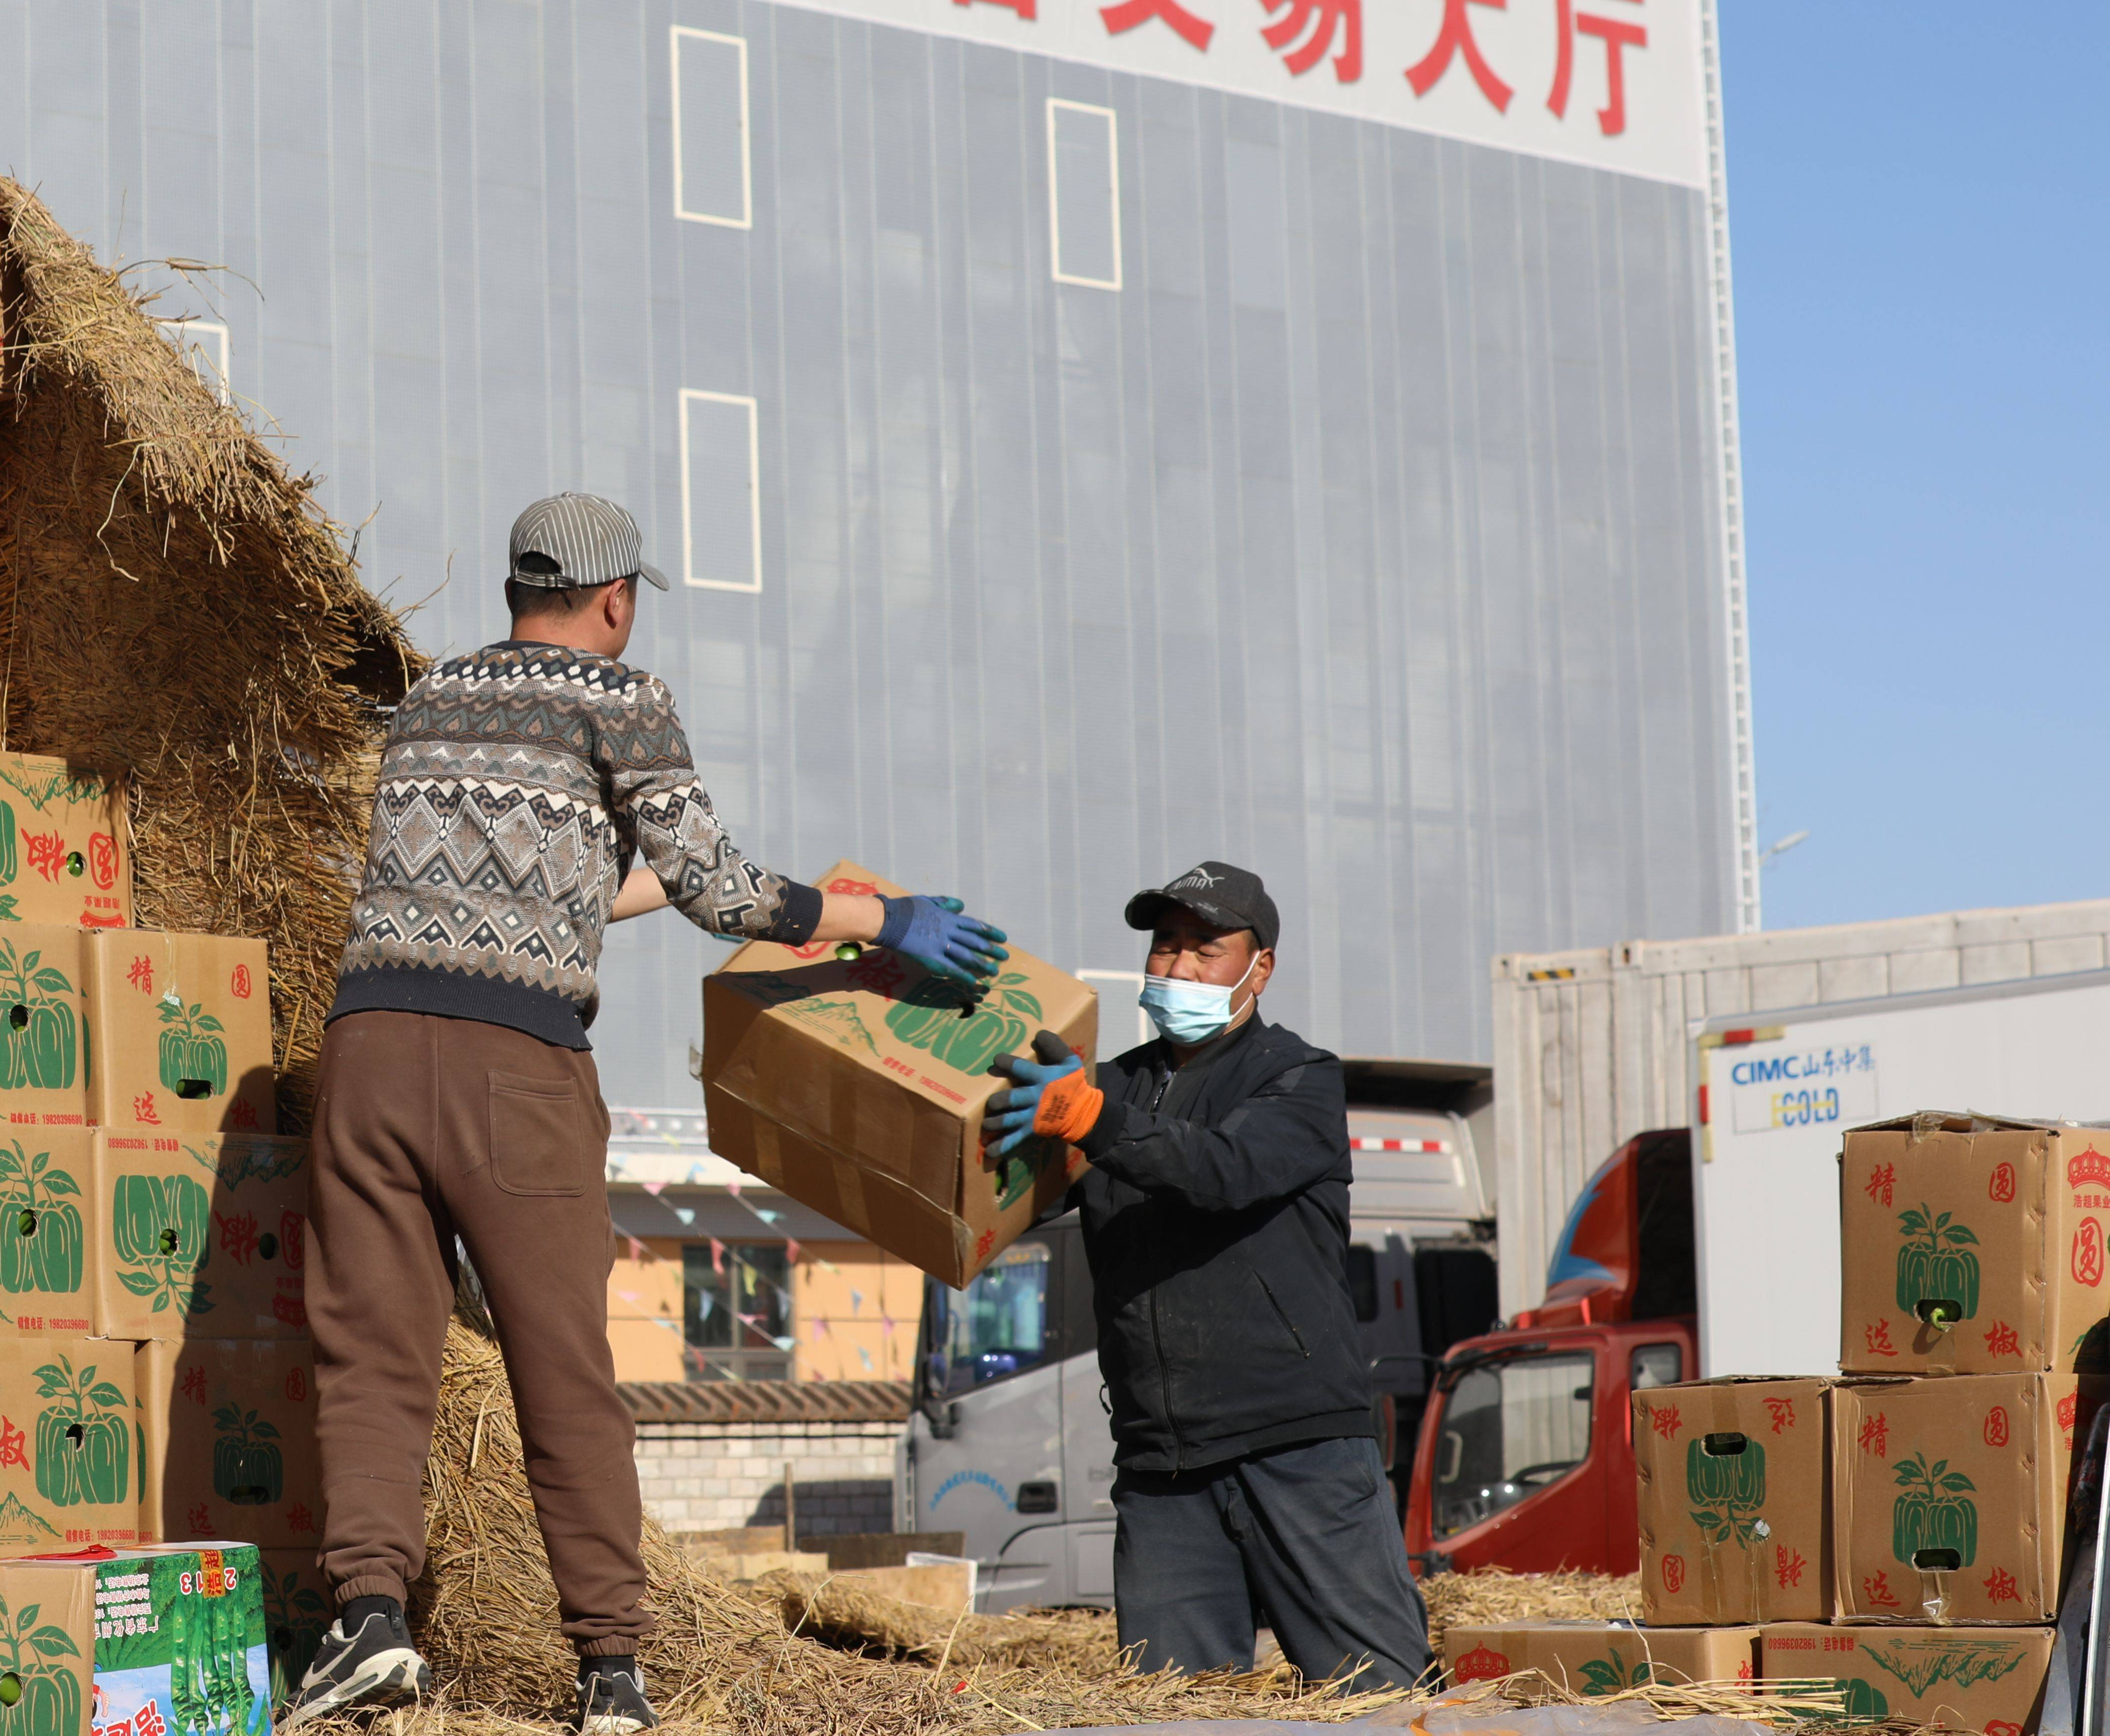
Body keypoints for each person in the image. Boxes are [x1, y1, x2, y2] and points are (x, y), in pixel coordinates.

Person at [285, 494, 1006, 1736]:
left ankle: (367, 1619)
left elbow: (532, 890)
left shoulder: (435, 702)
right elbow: (719, 892)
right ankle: (612, 1671)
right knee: (564, 1371)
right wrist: (883, 924)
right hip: (518, 1075)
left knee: (373, 1355)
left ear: (520, 589)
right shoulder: (623, 699)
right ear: (616, 600)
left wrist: (667, 897)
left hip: (370, 1049)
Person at [980, 860, 1431, 1696]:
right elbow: (1003, 1203)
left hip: (1298, 1445)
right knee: (1173, 1711)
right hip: (1162, 1465)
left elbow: (1224, 1169)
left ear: (1259, 969)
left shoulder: (1299, 1077)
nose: (1179, 968)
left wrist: (1091, 1121)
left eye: (1206, 949)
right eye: (1166, 947)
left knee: (1379, 1698)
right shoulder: (1109, 1084)